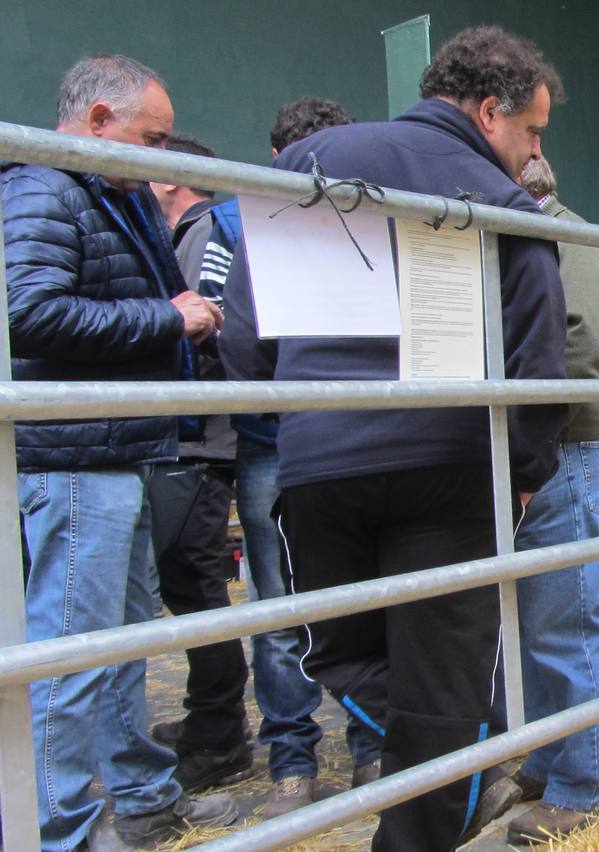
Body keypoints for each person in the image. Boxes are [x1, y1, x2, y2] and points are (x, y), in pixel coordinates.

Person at [221, 26, 569, 850]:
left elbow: (243, 336)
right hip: (449, 465)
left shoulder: (305, 161)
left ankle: (440, 752)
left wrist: (303, 405)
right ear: (491, 112)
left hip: (318, 464)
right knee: (443, 679)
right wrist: (524, 469)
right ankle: (447, 760)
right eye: (532, 133)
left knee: (334, 651)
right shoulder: (497, 198)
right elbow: (539, 342)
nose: (531, 155)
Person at [3, 52, 237, 851]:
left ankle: (140, 798)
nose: (162, 157)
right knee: (72, 659)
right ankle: (56, 831)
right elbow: (28, 315)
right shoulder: (42, 186)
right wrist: (168, 320)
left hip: (118, 449)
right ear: (99, 122)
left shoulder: (106, 188)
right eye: (154, 137)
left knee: (118, 647)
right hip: (73, 458)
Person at [170, 96, 381, 820]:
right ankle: (370, 747)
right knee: (363, 594)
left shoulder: (238, 220)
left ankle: (294, 762)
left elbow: (231, 340)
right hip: (361, 436)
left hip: (276, 442)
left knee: (281, 608)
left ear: (273, 156)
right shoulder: (377, 210)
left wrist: (268, 406)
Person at [501, 157, 599, 845]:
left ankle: (583, 782)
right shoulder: (539, 230)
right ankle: (553, 756)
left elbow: (577, 351)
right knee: (543, 615)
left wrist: (530, 444)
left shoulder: (562, 237)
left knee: (564, 616)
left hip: (559, 445)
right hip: (545, 444)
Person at [143, 134, 256, 796]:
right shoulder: (199, 232)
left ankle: (218, 736)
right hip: (197, 439)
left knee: (196, 588)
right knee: (193, 587)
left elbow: (204, 329)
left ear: (167, 180)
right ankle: (211, 723)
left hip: (200, 441)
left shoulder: (204, 233)